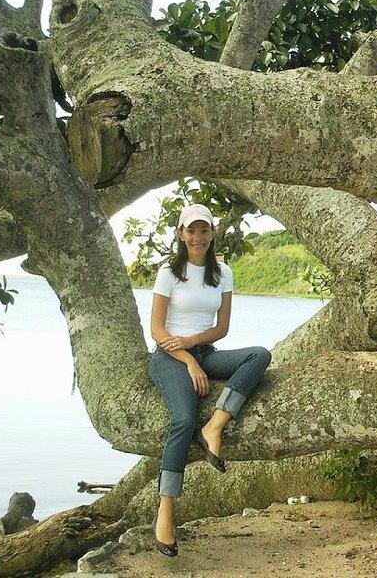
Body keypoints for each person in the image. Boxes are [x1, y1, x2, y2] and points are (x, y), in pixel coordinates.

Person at [148, 203, 272, 556]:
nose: (198, 237)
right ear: (181, 234)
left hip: (204, 350)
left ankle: (215, 426)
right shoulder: (169, 273)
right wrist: (188, 359)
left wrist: (194, 346)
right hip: (169, 357)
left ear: (212, 234)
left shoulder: (223, 273)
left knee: (259, 355)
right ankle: (165, 513)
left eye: (204, 231)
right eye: (191, 230)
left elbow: (222, 328)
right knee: (184, 420)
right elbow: (157, 330)